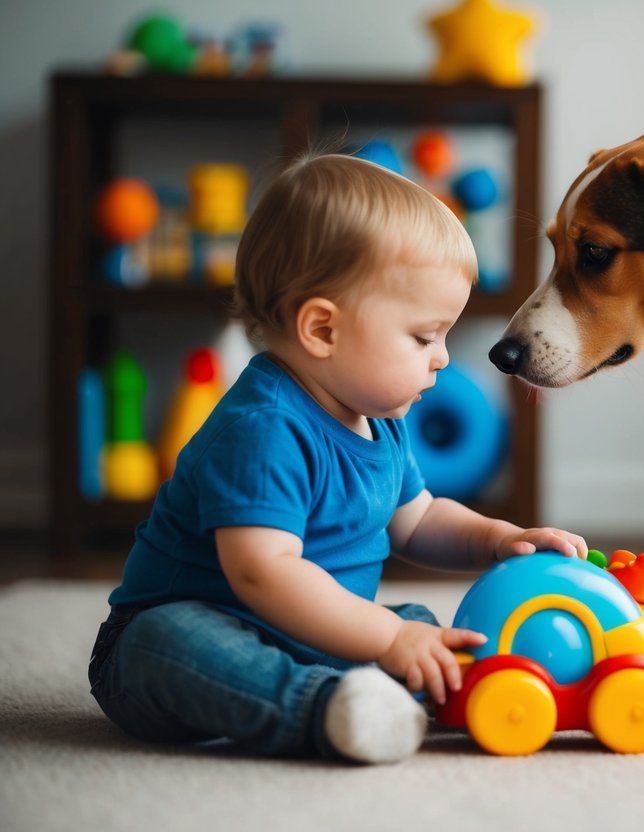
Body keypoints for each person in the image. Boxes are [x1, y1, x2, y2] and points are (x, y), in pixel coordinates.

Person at [88, 154, 587, 764]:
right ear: (322, 330)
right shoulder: (263, 428)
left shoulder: (380, 416)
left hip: (304, 634)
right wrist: (386, 638)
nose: (443, 359)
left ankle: (429, 688)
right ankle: (323, 711)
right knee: (166, 641)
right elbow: (261, 574)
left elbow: (419, 518)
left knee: (421, 623)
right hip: (193, 637)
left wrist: (498, 539)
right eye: (424, 336)